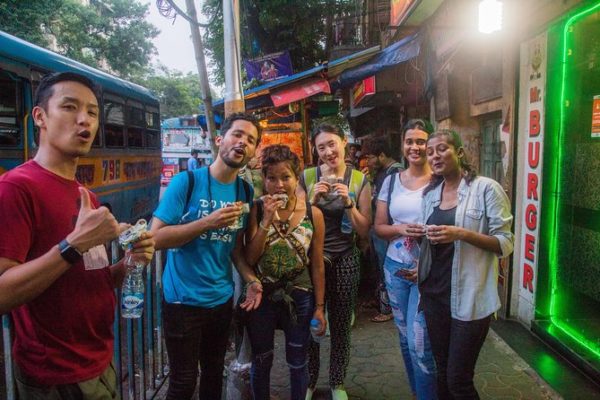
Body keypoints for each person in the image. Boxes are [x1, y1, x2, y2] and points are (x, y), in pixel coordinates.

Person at [0, 71, 155, 398]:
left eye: (93, 112)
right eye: (70, 107)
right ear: (40, 116)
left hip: (99, 361)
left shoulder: (86, 195)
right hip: (56, 375)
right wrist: (74, 243)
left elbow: (92, 277)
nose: (84, 120)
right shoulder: (16, 188)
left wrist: (129, 263)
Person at [151, 113, 264, 400]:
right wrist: (207, 222)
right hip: (182, 301)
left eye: (250, 140)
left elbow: (235, 249)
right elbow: (155, 238)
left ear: (253, 152)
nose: (243, 143)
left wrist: (250, 279)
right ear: (219, 140)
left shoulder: (244, 191)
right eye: (237, 134)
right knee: (183, 381)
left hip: (220, 300)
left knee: (214, 375)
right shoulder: (185, 182)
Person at [420, 130, 514, 399]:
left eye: (441, 149)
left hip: (470, 300)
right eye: (430, 151)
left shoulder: (486, 188)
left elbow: (505, 243)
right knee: (443, 372)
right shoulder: (430, 194)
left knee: (458, 379)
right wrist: (420, 236)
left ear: (459, 152)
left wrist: (460, 233)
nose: (435, 155)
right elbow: (434, 247)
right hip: (434, 295)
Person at [244, 144, 326, 400]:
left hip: (300, 295)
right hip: (261, 296)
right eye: (272, 178)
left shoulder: (313, 214)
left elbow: (317, 263)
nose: (279, 185)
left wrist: (319, 307)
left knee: (297, 360)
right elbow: (249, 257)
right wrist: (266, 220)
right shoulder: (256, 210)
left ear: (297, 178)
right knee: (262, 359)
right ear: (263, 179)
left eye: (286, 177)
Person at [300, 123, 372, 400]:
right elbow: (295, 222)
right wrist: (312, 199)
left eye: (332, 144)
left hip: (345, 258)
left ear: (343, 142)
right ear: (315, 151)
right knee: (311, 324)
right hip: (310, 260)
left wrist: (349, 204)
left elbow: (365, 229)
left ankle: (337, 383)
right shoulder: (307, 176)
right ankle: (308, 382)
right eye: (321, 147)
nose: (328, 151)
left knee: (341, 325)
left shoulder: (359, 180)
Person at [373, 119, 437, 399]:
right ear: (403, 145)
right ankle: (417, 392)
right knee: (403, 337)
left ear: (430, 144)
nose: (415, 146)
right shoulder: (391, 181)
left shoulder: (441, 179)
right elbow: (379, 227)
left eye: (421, 141)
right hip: (395, 269)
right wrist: (400, 228)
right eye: (410, 141)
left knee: (420, 344)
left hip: (428, 270)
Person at [361, 137, 404, 323]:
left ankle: (388, 309)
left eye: (371, 157)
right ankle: (380, 301)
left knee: (385, 265)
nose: (368, 162)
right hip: (378, 229)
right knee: (377, 266)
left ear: (382, 155)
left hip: (388, 230)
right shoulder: (383, 172)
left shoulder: (396, 172)